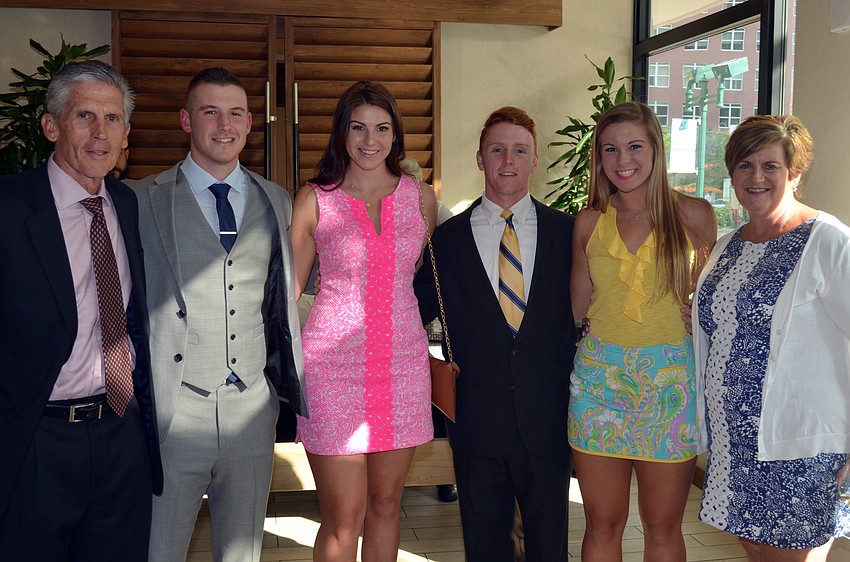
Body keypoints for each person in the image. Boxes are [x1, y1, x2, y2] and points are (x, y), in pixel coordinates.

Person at [127, 67, 308, 562]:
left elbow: (280, 296)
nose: (223, 125)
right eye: (210, 112)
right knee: (158, 549)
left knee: (242, 552)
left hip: (251, 408)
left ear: (250, 123)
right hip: (174, 410)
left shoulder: (276, 198)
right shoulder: (142, 199)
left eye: (234, 113)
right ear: (187, 120)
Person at [0, 60, 162, 560]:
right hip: (34, 443)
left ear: (127, 132)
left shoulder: (126, 204)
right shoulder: (8, 210)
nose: (100, 134)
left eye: (112, 119)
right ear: (51, 126)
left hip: (120, 437)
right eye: (84, 117)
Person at [414, 106, 575, 562]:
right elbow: (410, 308)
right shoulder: (445, 241)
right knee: (485, 547)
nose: (508, 160)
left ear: (535, 160)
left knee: (550, 546)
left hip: (548, 419)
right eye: (497, 149)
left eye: (520, 150)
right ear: (480, 159)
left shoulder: (570, 233)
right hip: (476, 420)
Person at [290, 80, 438, 561]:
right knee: (342, 517)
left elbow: (410, 275)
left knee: (385, 505)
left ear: (396, 136)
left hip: (402, 367)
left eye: (381, 128)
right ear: (341, 133)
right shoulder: (314, 199)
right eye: (358, 127)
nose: (369, 140)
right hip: (332, 371)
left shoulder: (421, 198)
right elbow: (290, 291)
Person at [693, 114, 850, 562]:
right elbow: (727, 319)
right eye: (745, 165)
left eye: (770, 166)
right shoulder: (729, 243)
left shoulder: (827, 241)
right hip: (735, 440)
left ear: (795, 173)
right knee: (757, 552)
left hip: (797, 444)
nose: (755, 177)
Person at [569, 101, 716, 562]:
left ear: (656, 149)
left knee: (662, 528)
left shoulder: (693, 215)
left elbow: (712, 303)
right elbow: (576, 307)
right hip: (598, 387)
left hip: (671, 387)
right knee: (602, 525)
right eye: (610, 149)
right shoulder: (589, 222)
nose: (622, 160)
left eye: (634, 146)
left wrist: (700, 313)